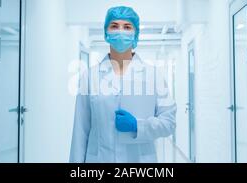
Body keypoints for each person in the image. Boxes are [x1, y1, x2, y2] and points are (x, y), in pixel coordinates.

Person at [69, 6, 177, 163]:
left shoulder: (153, 75)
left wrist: (138, 126)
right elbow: (80, 131)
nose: (120, 31)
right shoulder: (89, 76)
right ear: (106, 33)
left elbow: (169, 123)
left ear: (135, 34)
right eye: (114, 26)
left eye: (127, 27)